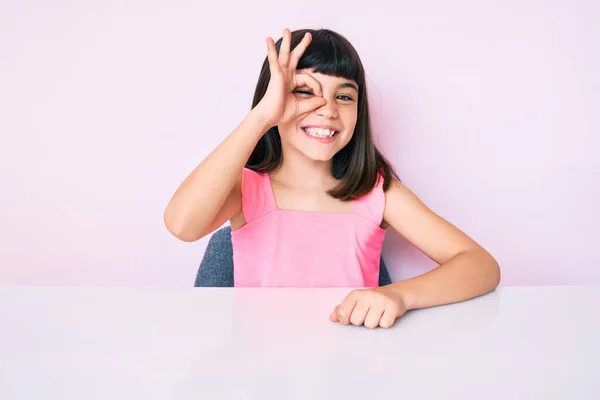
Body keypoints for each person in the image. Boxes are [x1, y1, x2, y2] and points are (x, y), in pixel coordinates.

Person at [164, 28, 500, 329]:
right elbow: (182, 225)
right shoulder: (246, 187)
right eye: (305, 91)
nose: (328, 109)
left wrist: (399, 296)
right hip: (262, 370)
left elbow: (481, 265)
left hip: (352, 364)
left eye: (344, 96)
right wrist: (262, 117)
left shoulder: (375, 190)